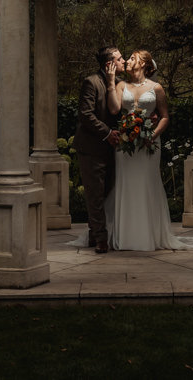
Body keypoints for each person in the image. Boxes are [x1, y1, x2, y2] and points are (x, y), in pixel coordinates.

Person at [100, 50, 193, 251]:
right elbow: (113, 109)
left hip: (149, 145)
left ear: (144, 63)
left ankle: (148, 235)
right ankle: (126, 236)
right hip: (125, 145)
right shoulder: (121, 85)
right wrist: (111, 82)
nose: (127, 61)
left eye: (131, 58)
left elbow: (164, 117)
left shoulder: (157, 88)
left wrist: (152, 135)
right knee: (126, 184)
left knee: (147, 183)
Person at [75, 45, 123, 253]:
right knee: (95, 194)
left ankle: (94, 234)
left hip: (114, 149)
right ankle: (101, 239)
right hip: (92, 148)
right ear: (109, 64)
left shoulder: (121, 84)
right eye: (120, 59)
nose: (124, 61)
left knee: (107, 192)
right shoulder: (91, 82)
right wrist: (107, 133)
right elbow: (86, 114)